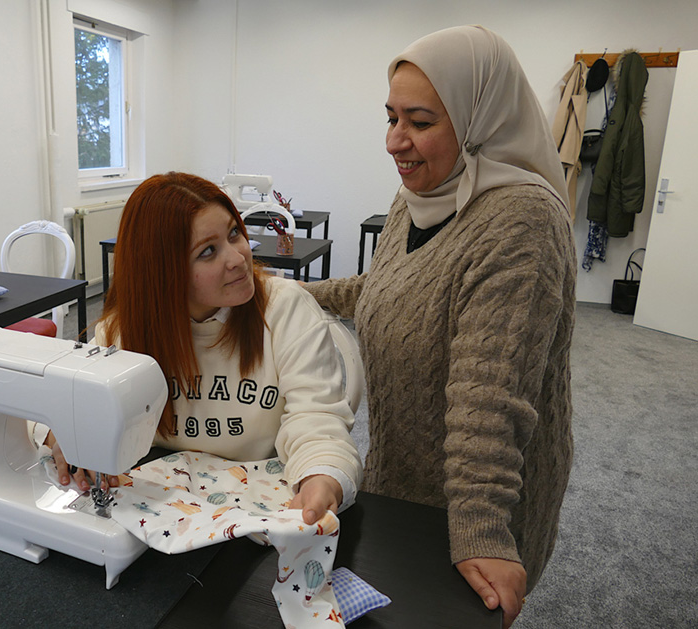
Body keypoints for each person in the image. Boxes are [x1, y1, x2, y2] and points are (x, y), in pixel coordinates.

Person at [302, 25, 575, 629]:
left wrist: (480, 527)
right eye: (391, 117)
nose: (395, 141)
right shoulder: (418, 195)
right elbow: (388, 291)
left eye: (420, 122)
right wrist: (295, 294)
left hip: (481, 494)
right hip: (403, 470)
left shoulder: (521, 223)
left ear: (478, 121)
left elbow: (489, 395)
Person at [38, 171, 362, 526]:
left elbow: (317, 421)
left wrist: (322, 478)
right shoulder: (123, 334)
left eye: (234, 233)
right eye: (208, 251)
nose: (239, 258)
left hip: (257, 515)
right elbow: (63, 403)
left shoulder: (285, 310)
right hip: (163, 517)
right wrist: (63, 431)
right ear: (163, 272)